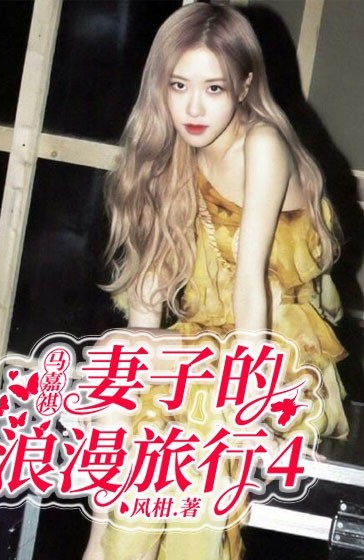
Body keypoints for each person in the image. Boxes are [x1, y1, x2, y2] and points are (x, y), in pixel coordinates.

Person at [83, 3, 349, 559]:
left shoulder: (262, 144)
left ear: (245, 86)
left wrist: (250, 410)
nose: (193, 108)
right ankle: (101, 546)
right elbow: (148, 296)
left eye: (214, 88)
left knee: (124, 364)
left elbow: (251, 284)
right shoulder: (174, 152)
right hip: (209, 338)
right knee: (116, 370)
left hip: (274, 348)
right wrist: (136, 371)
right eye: (179, 85)